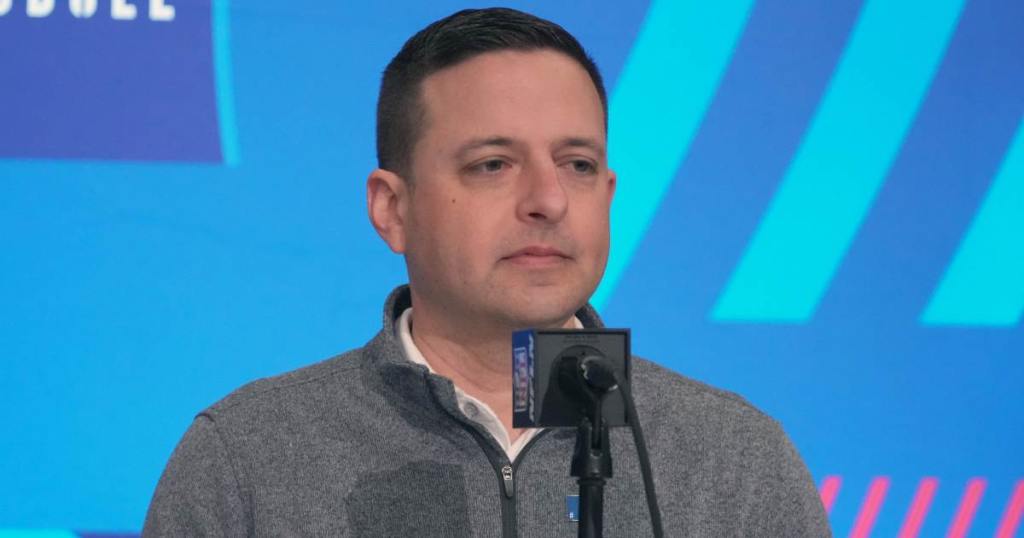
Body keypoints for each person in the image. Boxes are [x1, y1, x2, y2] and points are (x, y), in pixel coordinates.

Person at [143, 7, 830, 536]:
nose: (548, 200)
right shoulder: (248, 460)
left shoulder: (736, 462)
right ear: (392, 209)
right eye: (493, 164)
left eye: (578, 165)